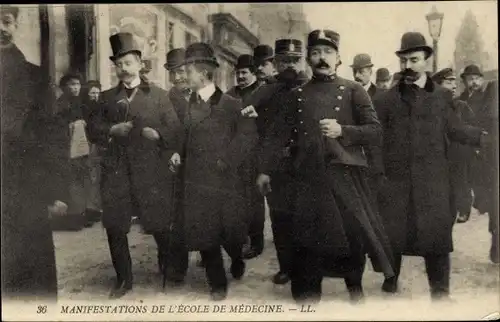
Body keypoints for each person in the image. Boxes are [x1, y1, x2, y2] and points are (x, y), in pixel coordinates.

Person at [257, 29, 395, 303]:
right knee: (306, 246)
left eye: (328, 52)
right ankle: (308, 299)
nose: (322, 58)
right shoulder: (295, 95)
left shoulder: (353, 90)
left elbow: (375, 131)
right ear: (308, 59)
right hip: (306, 182)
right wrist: (264, 169)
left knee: (351, 241)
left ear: (338, 58)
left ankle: (355, 289)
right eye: (316, 53)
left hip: (345, 181)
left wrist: (342, 130)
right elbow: (276, 137)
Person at [373, 32, 488, 299]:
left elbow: (455, 129)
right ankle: (391, 279)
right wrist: (379, 176)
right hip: (397, 182)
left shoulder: (441, 97)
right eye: (404, 61)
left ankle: (441, 292)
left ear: (426, 60)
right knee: (395, 234)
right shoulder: (385, 100)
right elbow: (376, 141)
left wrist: (483, 137)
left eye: (414, 59)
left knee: (436, 238)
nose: (409, 66)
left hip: (433, 182)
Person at [87, 32, 184, 298]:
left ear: (140, 63)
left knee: (159, 224)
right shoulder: (106, 98)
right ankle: (123, 279)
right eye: (118, 64)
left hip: (150, 172)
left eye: (128, 62)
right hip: (116, 172)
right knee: (116, 226)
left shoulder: (160, 96)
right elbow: (93, 129)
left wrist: (159, 136)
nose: (123, 69)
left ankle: (167, 265)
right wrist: (111, 130)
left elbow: (175, 129)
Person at [1, 4, 70, 301]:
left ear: (15, 24)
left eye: (6, 21)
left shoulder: (35, 77)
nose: (1, 28)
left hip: (24, 189)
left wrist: (56, 190)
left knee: (28, 282)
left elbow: (52, 136)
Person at [181, 42, 258, 301]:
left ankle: (237, 256)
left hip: (225, 183)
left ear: (202, 74)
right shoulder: (185, 106)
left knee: (232, 233)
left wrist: (226, 160)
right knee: (205, 234)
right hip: (197, 182)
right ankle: (217, 282)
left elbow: (247, 137)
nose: (184, 77)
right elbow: (180, 138)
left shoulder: (231, 105)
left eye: (188, 72)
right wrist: (176, 154)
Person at [244, 38, 310, 285]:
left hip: (306, 166)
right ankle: (286, 267)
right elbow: (254, 130)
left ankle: (306, 267)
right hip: (277, 166)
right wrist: (263, 169)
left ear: (301, 61)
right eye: (284, 61)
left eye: (295, 60)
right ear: (276, 63)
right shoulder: (265, 91)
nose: (290, 65)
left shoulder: (311, 86)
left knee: (306, 218)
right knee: (281, 219)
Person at [226, 54, 265, 260]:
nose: (240, 76)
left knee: (255, 199)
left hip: (256, 154)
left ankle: (257, 242)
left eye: (244, 73)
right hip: (235, 153)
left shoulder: (263, 92)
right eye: (238, 73)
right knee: (236, 199)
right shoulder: (230, 94)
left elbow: (272, 122)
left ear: (253, 73)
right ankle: (240, 239)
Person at [458, 64, 499, 264]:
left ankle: (496, 238)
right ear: (464, 81)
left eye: (476, 78)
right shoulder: (460, 101)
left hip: (488, 155)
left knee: (493, 198)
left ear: (482, 79)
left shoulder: (489, 98)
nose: (473, 81)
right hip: (468, 153)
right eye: (469, 78)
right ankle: (466, 206)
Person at [431, 68, 475, 224]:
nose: (454, 85)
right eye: (449, 81)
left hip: (458, 151)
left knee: (461, 181)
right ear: (439, 85)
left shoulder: (461, 105)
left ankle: (464, 209)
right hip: (441, 152)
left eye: (454, 81)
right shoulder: (433, 106)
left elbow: (471, 127)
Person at [51, 73, 92, 231]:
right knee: (70, 183)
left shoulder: (80, 103)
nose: (75, 87)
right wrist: (72, 125)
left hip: (81, 147)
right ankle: (71, 219)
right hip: (66, 149)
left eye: (78, 84)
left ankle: (81, 216)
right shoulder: (60, 104)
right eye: (72, 84)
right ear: (64, 87)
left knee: (81, 181)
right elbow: (55, 127)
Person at [82, 80, 104, 224]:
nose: (95, 96)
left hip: (98, 145)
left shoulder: (101, 107)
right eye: (92, 93)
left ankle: (95, 209)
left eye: (97, 93)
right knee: (90, 177)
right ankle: (89, 210)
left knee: (96, 178)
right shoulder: (83, 108)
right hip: (87, 145)